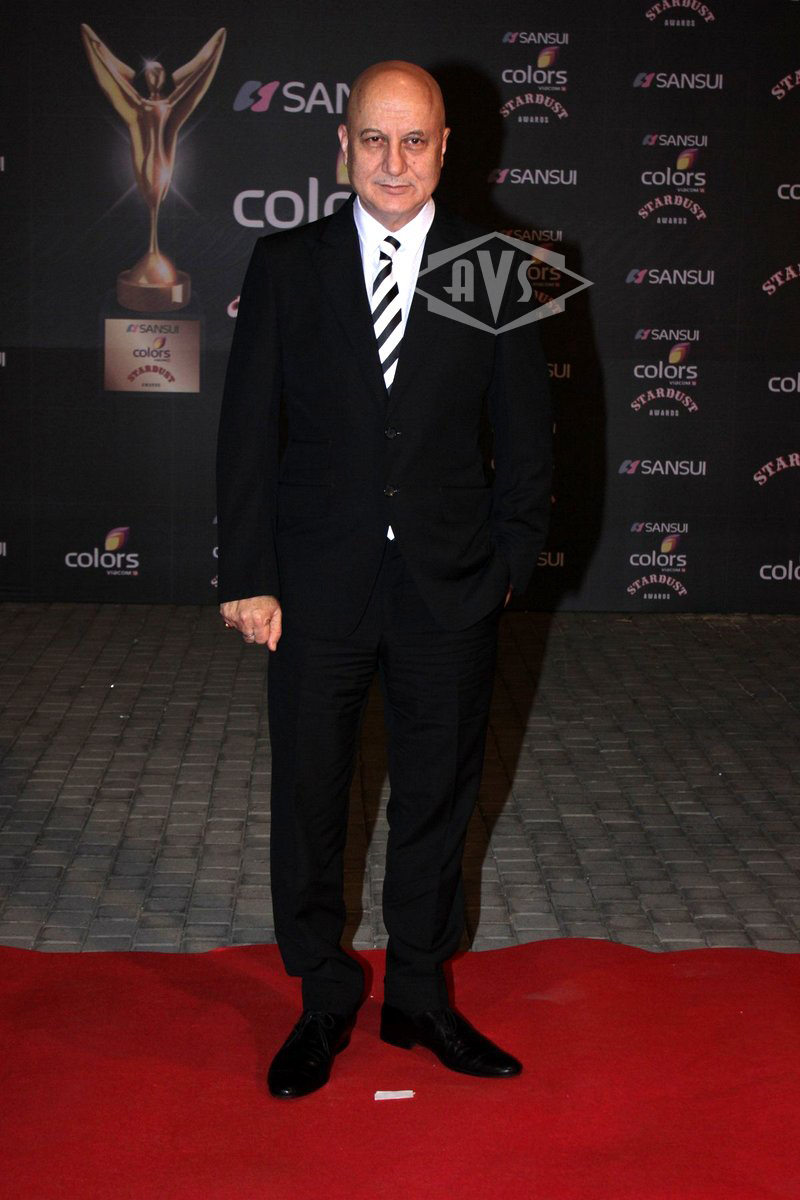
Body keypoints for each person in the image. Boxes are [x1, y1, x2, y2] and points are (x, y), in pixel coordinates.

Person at [216, 60, 552, 1099]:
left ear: (446, 148)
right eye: (373, 139)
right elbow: (247, 430)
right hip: (315, 585)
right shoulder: (289, 263)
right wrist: (249, 574)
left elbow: (529, 441)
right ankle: (322, 996)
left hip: (450, 585)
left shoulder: (491, 266)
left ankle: (417, 994)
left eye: (413, 141)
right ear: (342, 148)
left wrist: (505, 564)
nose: (393, 162)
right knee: (311, 797)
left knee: (438, 799)